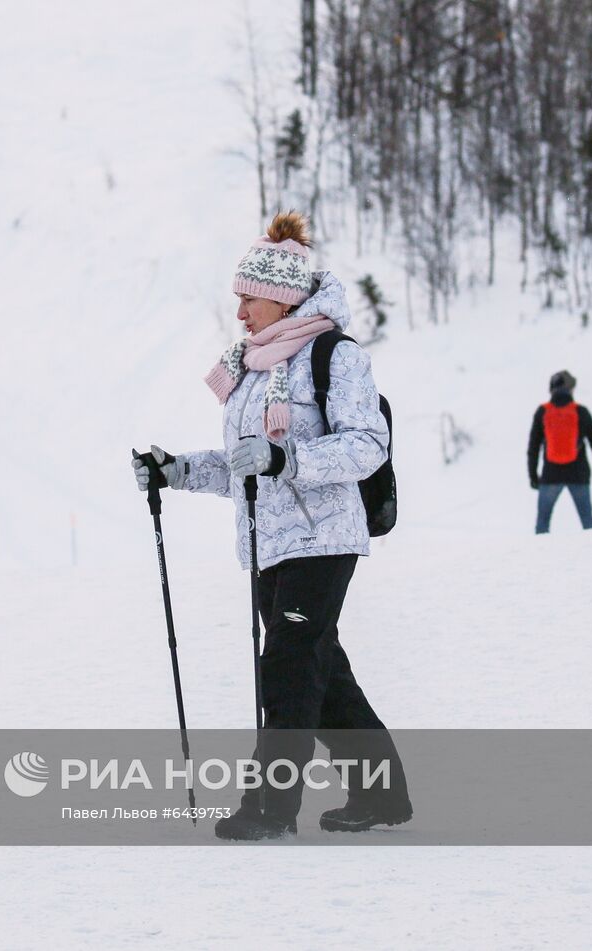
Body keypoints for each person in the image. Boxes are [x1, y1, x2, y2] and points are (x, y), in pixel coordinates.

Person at [132, 211, 410, 840]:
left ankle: (269, 808)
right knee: (319, 672)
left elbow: (367, 444)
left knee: (287, 668)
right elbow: (244, 470)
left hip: (325, 537)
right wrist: (173, 470)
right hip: (269, 544)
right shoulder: (251, 368)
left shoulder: (335, 358)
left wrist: (288, 456)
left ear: (282, 297)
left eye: (247, 299)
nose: (238, 313)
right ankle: (382, 797)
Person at [528, 370, 592, 534]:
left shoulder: (543, 412)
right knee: (587, 520)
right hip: (578, 473)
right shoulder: (580, 411)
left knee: (542, 522)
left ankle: (538, 557)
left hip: (551, 475)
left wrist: (533, 475)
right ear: (570, 389)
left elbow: (533, 447)